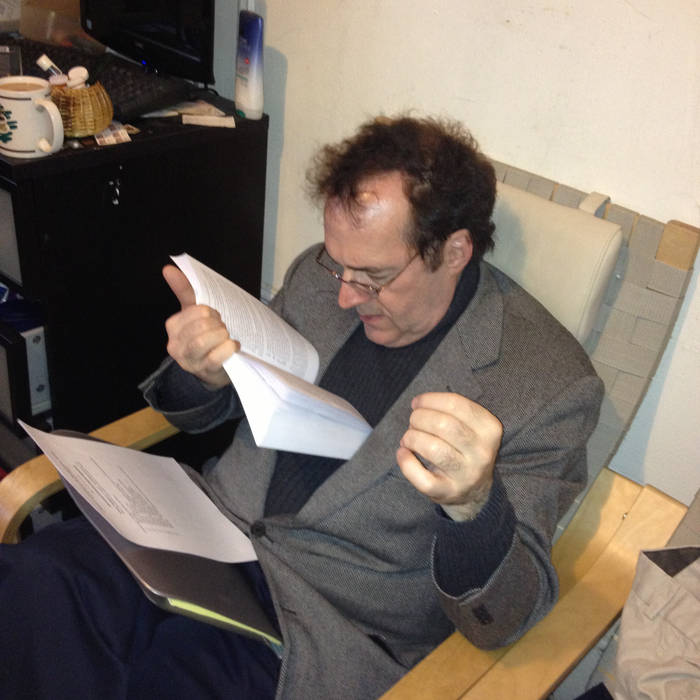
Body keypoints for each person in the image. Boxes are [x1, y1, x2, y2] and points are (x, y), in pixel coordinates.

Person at [0, 115, 602, 700]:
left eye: (372, 276)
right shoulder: (321, 276)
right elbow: (202, 415)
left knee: (159, 677)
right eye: (339, 265)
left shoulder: (547, 385)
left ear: (454, 251)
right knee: (34, 583)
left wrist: (474, 507)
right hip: (201, 532)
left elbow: (503, 618)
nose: (343, 295)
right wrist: (202, 376)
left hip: (315, 626)